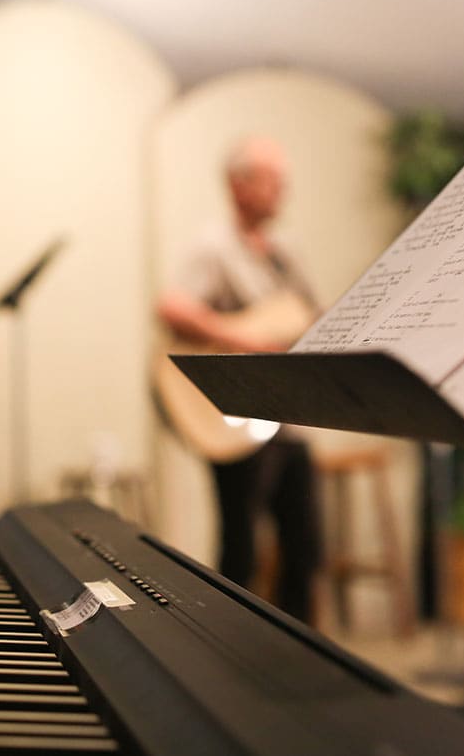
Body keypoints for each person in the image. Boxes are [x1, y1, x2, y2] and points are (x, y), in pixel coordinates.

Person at [156, 137, 322, 622]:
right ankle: (231, 648)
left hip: (285, 415)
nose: (282, 191)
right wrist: (240, 336)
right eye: (273, 180)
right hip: (236, 417)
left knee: (305, 543)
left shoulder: (284, 251)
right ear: (238, 184)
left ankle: (300, 655)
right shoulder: (214, 246)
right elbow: (172, 306)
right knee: (242, 545)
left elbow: (304, 315)